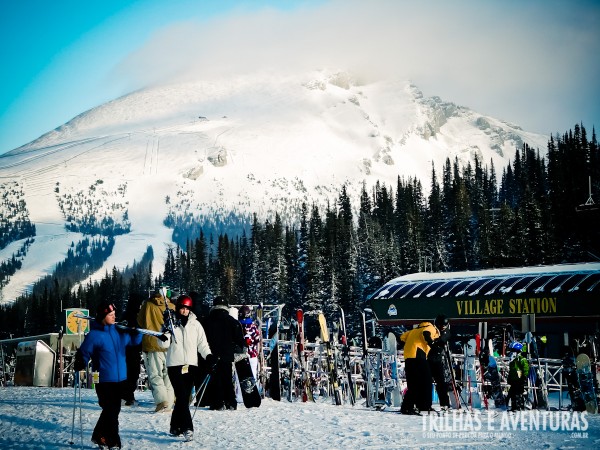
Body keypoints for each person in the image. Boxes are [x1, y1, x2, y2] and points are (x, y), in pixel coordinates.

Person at [74, 301, 142, 450]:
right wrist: (80, 361)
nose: (114, 316)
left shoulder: (118, 332)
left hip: (120, 378)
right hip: (102, 378)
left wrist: (136, 330)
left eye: (114, 314)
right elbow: (84, 352)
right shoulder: (94, 335)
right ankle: (113, 441)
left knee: (112, 410)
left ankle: (99, 436)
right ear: (103, 316)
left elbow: (134, 341)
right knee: (110, 410)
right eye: (110, 315)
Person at [157, 294, 215, 442]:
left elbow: (202, 344)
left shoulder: (196, 325)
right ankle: (187, 428)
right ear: (177, 308)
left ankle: (175, 426)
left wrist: (208, 356)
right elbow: (163, 344)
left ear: (190, 309)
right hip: (174, 365)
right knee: (182, 396)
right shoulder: (170, 323)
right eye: (181, 308)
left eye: (186, 308)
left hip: (190, 365)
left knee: (184, 398)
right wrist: (163, 337)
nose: (183, 311)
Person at [202, 296, 247, 411]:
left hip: (211, 354)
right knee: (227, 378)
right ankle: (230, 402)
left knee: (214, 379)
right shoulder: (233, 321)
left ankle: (217, 402)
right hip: (227, 355)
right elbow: (240, 341)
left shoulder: (206, 321)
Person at [137, 291, 175, 412]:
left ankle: (161, 401)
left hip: (152, 344)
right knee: (169, 376)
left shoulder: (148, 305)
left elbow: (140, 321)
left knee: (155, 375)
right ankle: (169, 404)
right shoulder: (172, 306)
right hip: (169, 345)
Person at [399, 320, 440, 415]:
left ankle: (407, 406)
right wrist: (432, 345)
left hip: (408, 356)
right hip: (418, 355)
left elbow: (402, 337)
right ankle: (424, 406)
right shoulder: (431, 328)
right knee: (426, 381)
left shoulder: (414, 330)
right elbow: (426, 333)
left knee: (413, 384)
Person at [428, 314, 451, 412]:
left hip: (438, 359)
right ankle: (426, 404)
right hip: (429, 358)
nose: (441, 328)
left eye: (443, 326)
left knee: (441, 383)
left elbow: (443, 339)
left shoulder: (446, 332)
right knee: (427, 383)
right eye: (440, 326)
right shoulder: (432, 330)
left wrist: (435, 342)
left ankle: (444, 403)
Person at [507, 341, 530, 411]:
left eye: (513, 350)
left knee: (518, 393)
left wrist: (524, 376)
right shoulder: (512, 360)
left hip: (519, 378)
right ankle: (514, 406)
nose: (511, 352)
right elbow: (511, 370)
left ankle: (519, 406)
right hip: (513, 379)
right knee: (512, 393)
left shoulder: (521, 359)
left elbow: (525, 368)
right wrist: (509, 378)